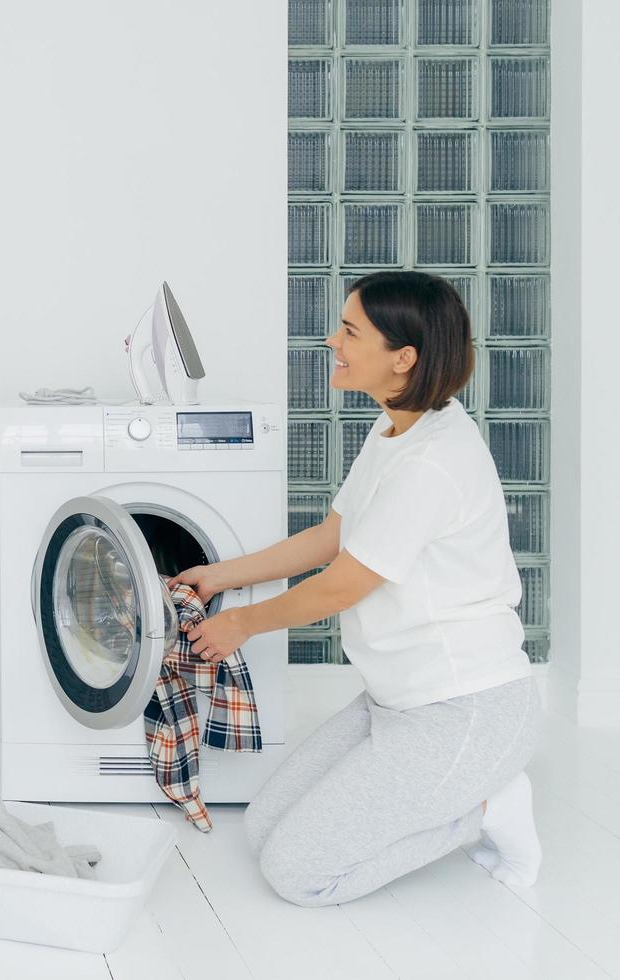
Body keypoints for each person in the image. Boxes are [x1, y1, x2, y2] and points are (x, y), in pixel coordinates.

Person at [170, 270, 541, 906]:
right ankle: (464, 797)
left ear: (403, 358)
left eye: (349, 331)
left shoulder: (433, 462)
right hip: (393, 702)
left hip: (463, 709)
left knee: (299, 875)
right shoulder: (396, 429)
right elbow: (331, 539)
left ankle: (487, 807)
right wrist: (220, 574)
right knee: (261, 831)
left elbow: (340, 586)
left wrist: (240, 624)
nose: (330, 341)